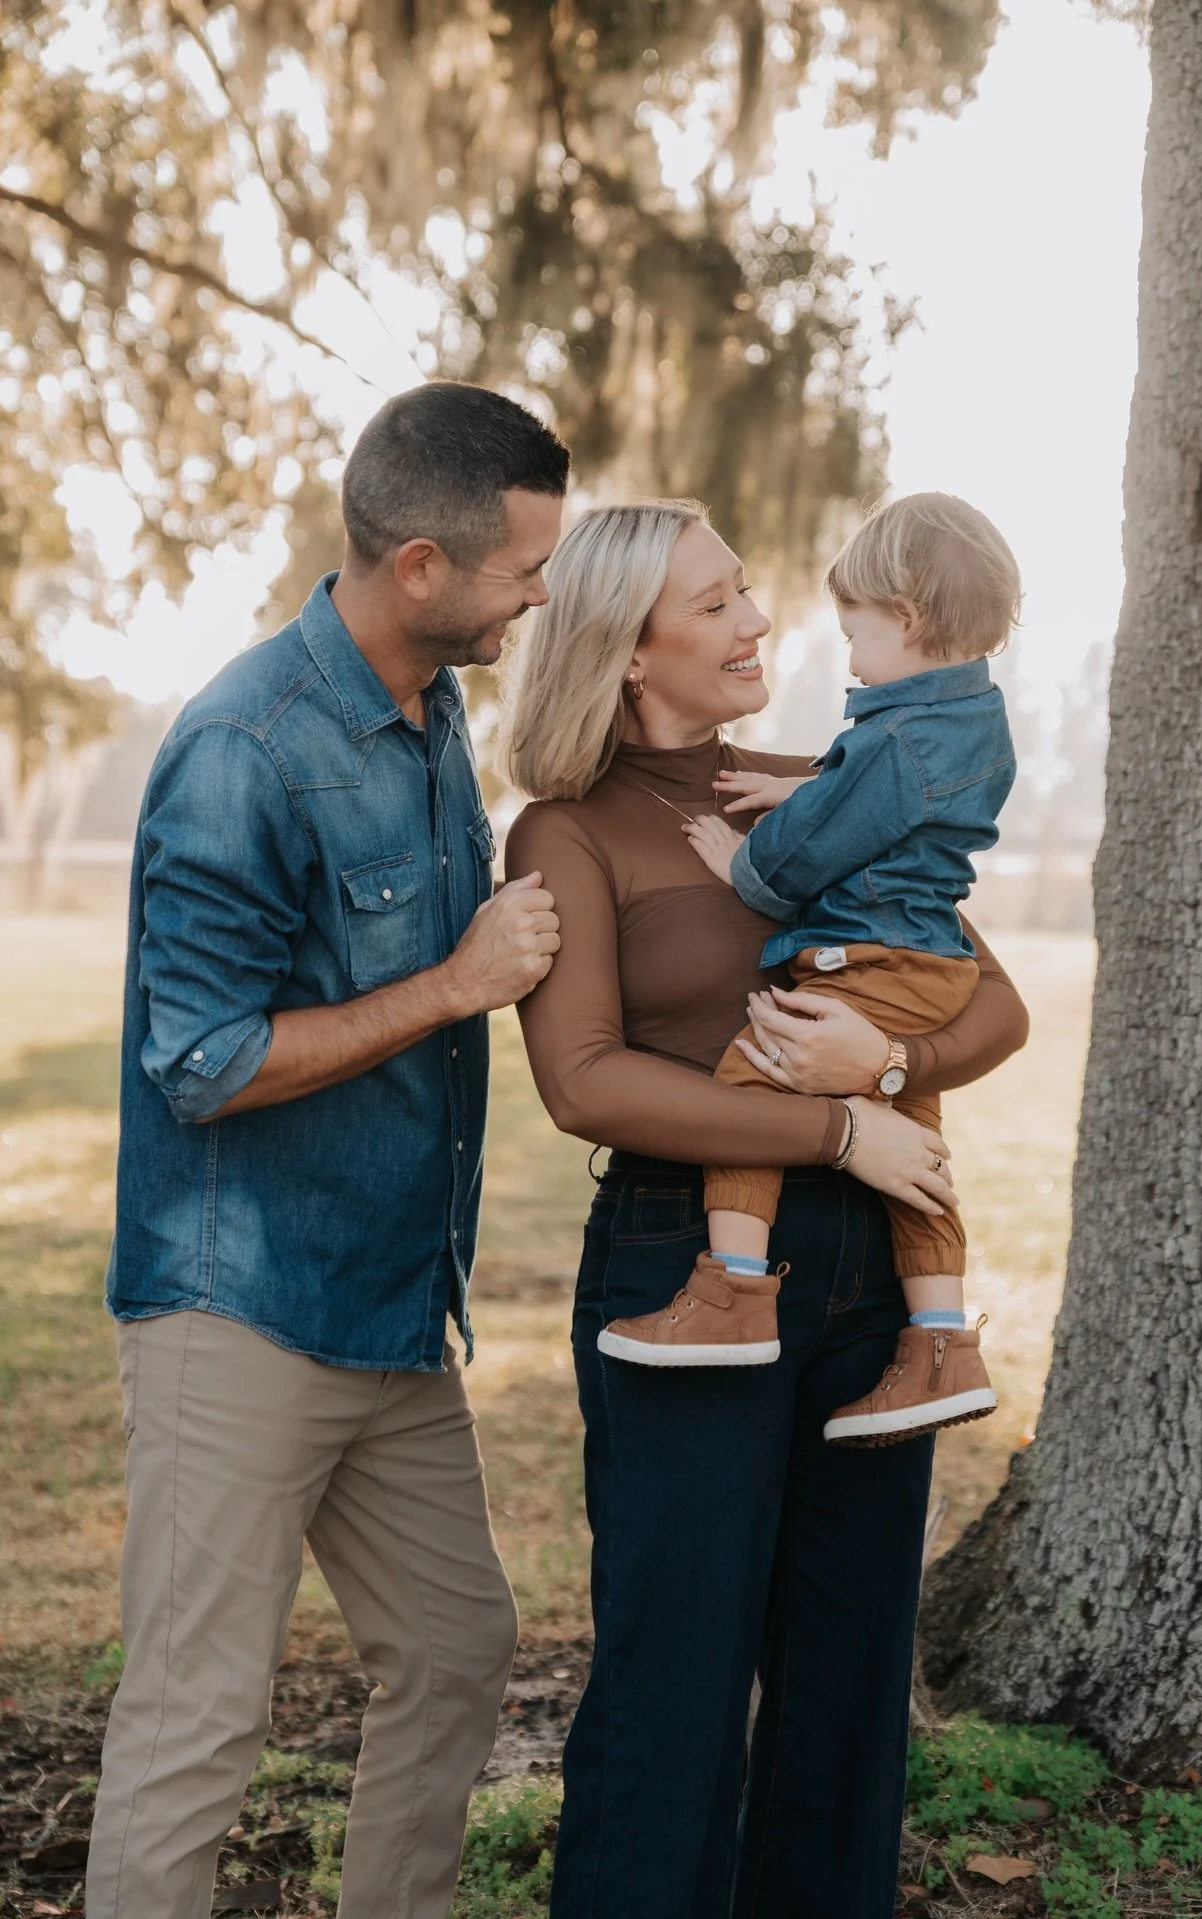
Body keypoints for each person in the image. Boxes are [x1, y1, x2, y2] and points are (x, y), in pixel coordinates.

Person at [501, 498, 1030, 1918]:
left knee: (848, 1682)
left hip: (871, 1280)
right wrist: (837, 1123)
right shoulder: (567, 831)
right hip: (687, 1264)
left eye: (751, 591)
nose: (760, 621)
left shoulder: (844, 784)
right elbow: (585, 1081)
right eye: (720, 603)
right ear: (627, 649)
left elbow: (998, 1005)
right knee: (674, 1678)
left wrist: (894, 1063)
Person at [87, 382, 568, 1919]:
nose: (537, 598)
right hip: (237, 1309)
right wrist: (454, 984)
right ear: (420, 564)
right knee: (195, 1719)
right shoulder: (247, 744)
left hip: (387, 1311)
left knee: (454, 1643)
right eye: (521, 571)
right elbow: (203, 1060)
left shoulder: (432, 715)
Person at [599, 492, 1018, 1448]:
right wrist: (810, 785)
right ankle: (944, 1341)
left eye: (855, 632)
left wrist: (737, 860)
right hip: (925, 960)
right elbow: (883, 790)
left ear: (906, 620)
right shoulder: (963, 719)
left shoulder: (895, 739)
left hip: (866, 960)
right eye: (716, 604)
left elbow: (792, 860)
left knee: (757, 1072)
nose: (846, 653)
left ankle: (734, 1293)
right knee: (919, 1164)